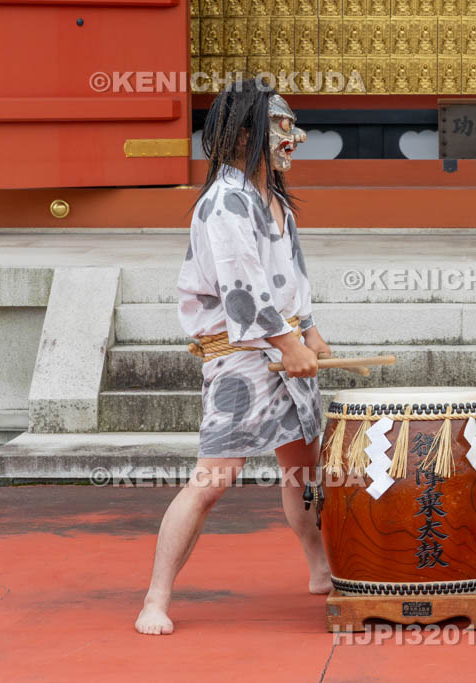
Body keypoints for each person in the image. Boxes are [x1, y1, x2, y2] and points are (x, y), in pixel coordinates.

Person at [135, 79, 332, 636]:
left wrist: (311, 333)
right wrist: (289, 343)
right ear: (247, 133)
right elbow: (243, 289)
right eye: (283, 125)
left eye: (294, 125)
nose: (295, 137)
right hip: (241, 360)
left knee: (305, 472)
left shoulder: (274, 200)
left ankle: (321, 569)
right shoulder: (225, 201)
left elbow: (292, 279)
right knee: (213, 479)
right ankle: (156, 597)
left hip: (281, 347)